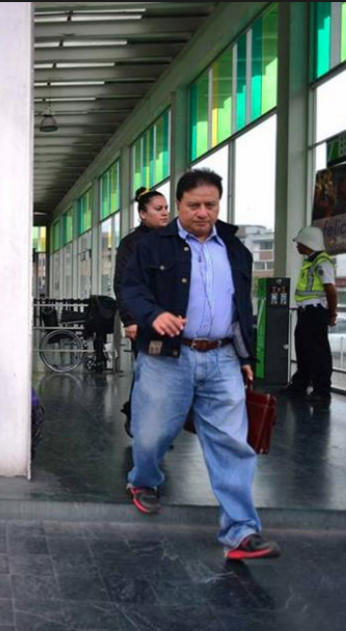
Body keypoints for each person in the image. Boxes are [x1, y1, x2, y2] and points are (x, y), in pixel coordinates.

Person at [120, 168, 280, 560]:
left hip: (223, 356)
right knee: (152, 433)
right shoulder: (151, 246)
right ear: (178, 205)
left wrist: (245, 357)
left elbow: (243, 307)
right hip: (168, 356)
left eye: (211, 204)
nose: (203, 212)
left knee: (231, 443)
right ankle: (144, 480)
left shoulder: (235, 248)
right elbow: (129, 288)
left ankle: (241, 532)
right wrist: (152, 314)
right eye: (194, 205)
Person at [115, 187, 170, 437]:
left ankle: (139, 414)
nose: (165, 213)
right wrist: (129, 319)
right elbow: (123, 284)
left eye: (167, 208)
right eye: (158, 209)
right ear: (142, 214)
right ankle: (147, 426)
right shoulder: (131, 244)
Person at [283, 225, 336, 407]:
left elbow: (330, 289)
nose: (297, 246)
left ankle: (322, 391)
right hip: (305, 312)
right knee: (303, 349)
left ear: (308, 242)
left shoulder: (322, 261)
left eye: (299, 243)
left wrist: (332, 313)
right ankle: (300, 384)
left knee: (319, 353)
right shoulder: (309, 261)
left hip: (316, 312)